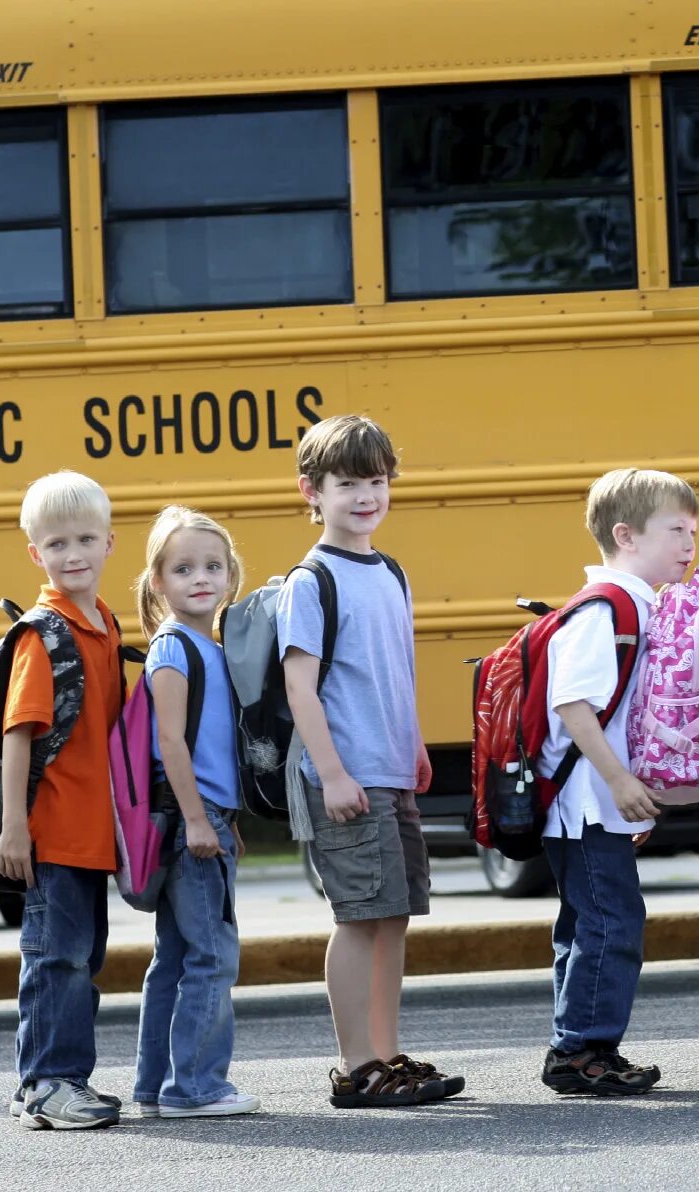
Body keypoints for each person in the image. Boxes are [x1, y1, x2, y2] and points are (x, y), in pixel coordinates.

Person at [276, 414, 460, 1108]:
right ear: (311, 491)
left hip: (388, 770)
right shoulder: (312, 579)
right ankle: (357, 1065)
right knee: (357, 916)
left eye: (375, 481)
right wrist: (332, 773)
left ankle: (387, 1054)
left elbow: (393, 670)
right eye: (346, 483)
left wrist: (411, 746)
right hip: (345, 775)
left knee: (393, 915)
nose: (364, 496)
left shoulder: (390, 571)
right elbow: (301, 684)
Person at [539, 469, 699, 1096]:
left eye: (693, 530)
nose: (689, 543)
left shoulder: (636, 603)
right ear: (626, 535)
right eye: (676, 530)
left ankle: (578, 1041)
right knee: (612, 923)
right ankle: (582, 1049)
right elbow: (572, 703)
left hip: (595, 802)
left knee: (586, 924)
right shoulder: (607, 607)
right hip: (586, 800)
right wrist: (620, 782)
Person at [0, 470, 123, 1129]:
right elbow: (20, 732)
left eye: (84, 540)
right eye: (55, 544)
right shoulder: (43, 634)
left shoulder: (102, 622)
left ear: (109, 543)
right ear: (34, 554)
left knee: (81, 957)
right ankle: (46, 1083)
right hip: (52, 829)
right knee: (56, 957)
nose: (71, 554)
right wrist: (14, 827)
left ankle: (64, 1077)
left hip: (89, 830)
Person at [131, 506, 261, 1119]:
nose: (200, 578)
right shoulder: (173, 650)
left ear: (230, 573)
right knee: (213, 956)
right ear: (158, 581)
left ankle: (155, 1086)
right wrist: (201, 819)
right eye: (183, 568)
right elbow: (171, 745)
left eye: (212, 565)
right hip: (190, 818)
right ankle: (197, 1088)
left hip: (207, 814)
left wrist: (225, 817)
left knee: (178, 958)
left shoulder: (208, 646)